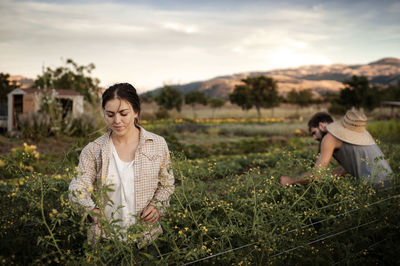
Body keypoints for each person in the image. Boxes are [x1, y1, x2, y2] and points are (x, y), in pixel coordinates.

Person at [69, 83, 174, 248]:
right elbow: (77, 187)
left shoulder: (157, 144)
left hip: (146, 238)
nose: (117, 121)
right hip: (105, 240)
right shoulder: (93, 150)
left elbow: (167, 184)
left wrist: (157, 206)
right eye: (110, 115)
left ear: (136, 112)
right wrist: (90, 210)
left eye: (123, 113)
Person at [280, 109, 393, 186]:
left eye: (314, 132)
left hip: (374, 186)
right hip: (390, 182)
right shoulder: (359, 134)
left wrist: (291, 181)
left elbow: (316, 176)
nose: (314, 138)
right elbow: (344, 169)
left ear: (321, 125)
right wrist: (327, 177)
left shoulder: (330, 138)